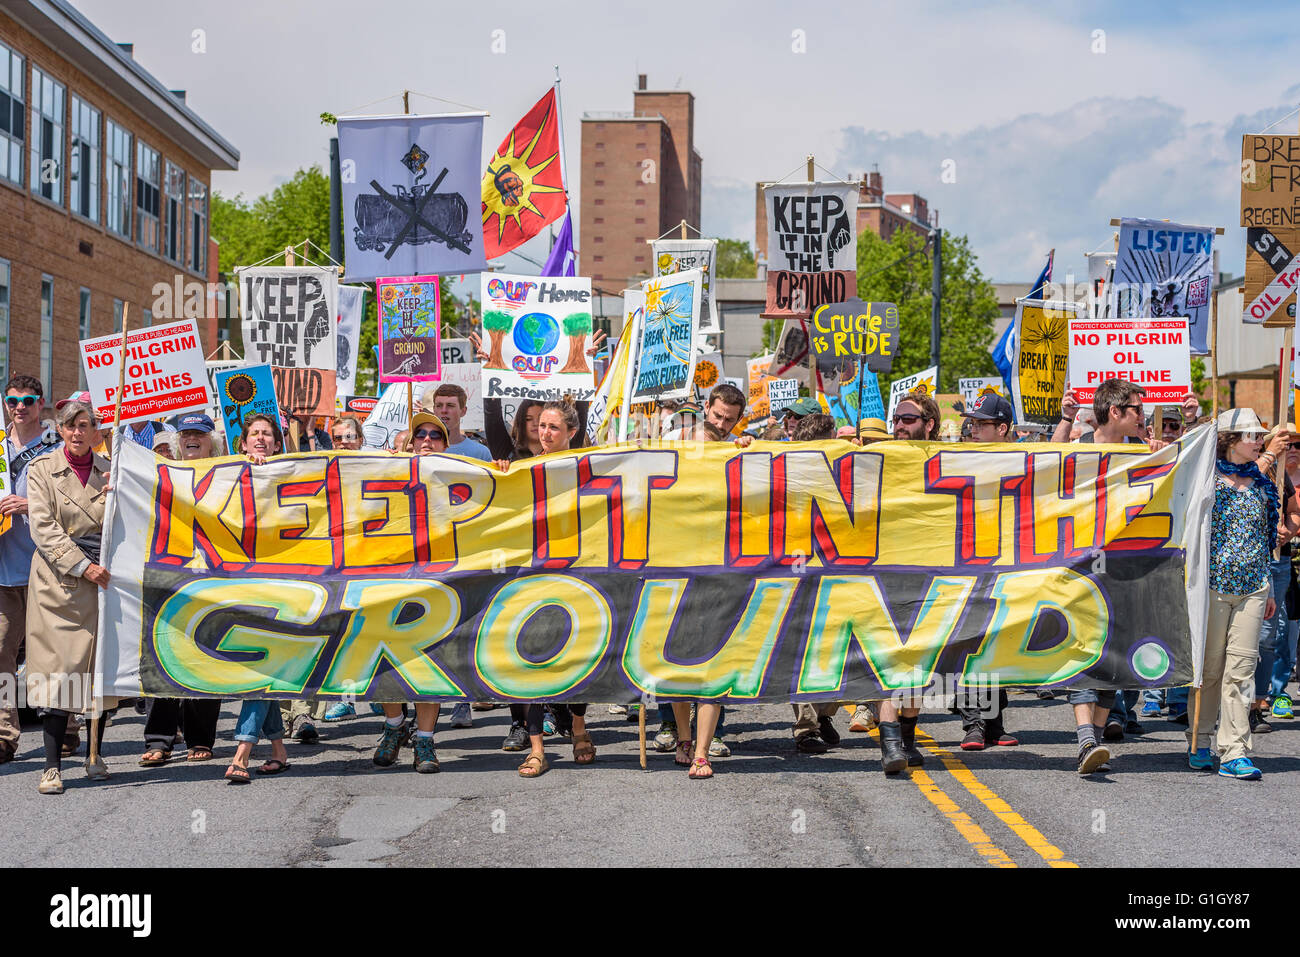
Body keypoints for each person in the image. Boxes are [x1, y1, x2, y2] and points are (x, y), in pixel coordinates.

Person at [502, 398, 599, 777]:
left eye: (553, 427)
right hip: (532, 574)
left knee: (578, 654)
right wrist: (503, 475)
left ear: (571, 433)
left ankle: (577, 725)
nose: (544, 433)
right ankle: (537, 748)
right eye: (541, 426)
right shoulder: (523, 467)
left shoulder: (589, 468)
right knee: (530, 658)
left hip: (578, 571)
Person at [1190, 409, 1289, 780]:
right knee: (1210, 670)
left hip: (1253, 587)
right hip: (1213, 588)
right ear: (1231, 439)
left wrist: (1268, 585)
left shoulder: (1263, 485)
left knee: (1241, 671)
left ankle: (1234, 751)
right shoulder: (1207, 478)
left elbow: (1264, 538)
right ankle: (1199, 739)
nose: (1259, 441)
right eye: (1252, 435)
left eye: (1260, 436)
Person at [23, 400, 115, 794]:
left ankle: (95, 752)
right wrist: (82, 566)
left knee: (100, 671)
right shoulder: (41, 470)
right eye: (70, 426)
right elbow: (43, 527)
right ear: (59, 430)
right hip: (59, 582)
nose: (78, 432)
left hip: (105, 581)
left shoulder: (113, 470)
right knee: (60, 674)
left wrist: (118, 497)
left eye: (85, 425)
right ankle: (51, 766)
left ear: (96, 431)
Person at [371, 411, 457, 773]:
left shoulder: (460, 476)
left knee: (428, 661)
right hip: (391, 579)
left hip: (440, 581)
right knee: (385, 657)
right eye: (419, 434)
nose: (426, 439)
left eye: (434, 435)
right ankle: (393, 727)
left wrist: (501, 469)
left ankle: (424, 740)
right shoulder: (387, 473)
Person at [139, 413, 225, 767]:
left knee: (204, 657)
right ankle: (159, 738)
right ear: (177, 442)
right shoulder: (162, 474)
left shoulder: (228, 474)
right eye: (186, 433)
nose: (192, 438)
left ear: (212, 442)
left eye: (199, 434)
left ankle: (200, 738)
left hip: (214, 578)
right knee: (164, 653)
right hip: (169, 576)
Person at [223, 414, 296, 783]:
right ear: (243, 442)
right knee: (263, 661)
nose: (261, 439)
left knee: (263, 662)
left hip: (285, 581)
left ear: (278, 443)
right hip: (242, 582)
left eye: (268, 434)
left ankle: (242, 752)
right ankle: (279, 751)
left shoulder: (294, 472)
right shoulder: (227, 471)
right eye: (255, 434)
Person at [0, 375, 66, 764]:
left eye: (27, 400)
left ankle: (69, 728)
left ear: (40, 404)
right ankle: (5, 735)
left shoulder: (57, 447)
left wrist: (30, 506)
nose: (19, 406)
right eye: (12, 400)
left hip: (48, 566)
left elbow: (73, 502)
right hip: (4, 569)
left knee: (58, 654)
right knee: (1, 654)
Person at [955, 393, 1019, 750]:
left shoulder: (1023, 458)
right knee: (970, 643)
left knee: (997, 641)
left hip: (1007, 562)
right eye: (973, 423)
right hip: (967, 564)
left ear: (1003, 428)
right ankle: (973, 723)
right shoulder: (962, 457)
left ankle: (994, 722)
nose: (973, 428)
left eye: (981, 423)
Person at [427, 384, 492, 461]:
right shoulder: (422, 449)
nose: (444, 410)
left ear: (463, 411)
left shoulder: (481, 453)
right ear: (434, 410)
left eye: (450, 405)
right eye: (439, 405)